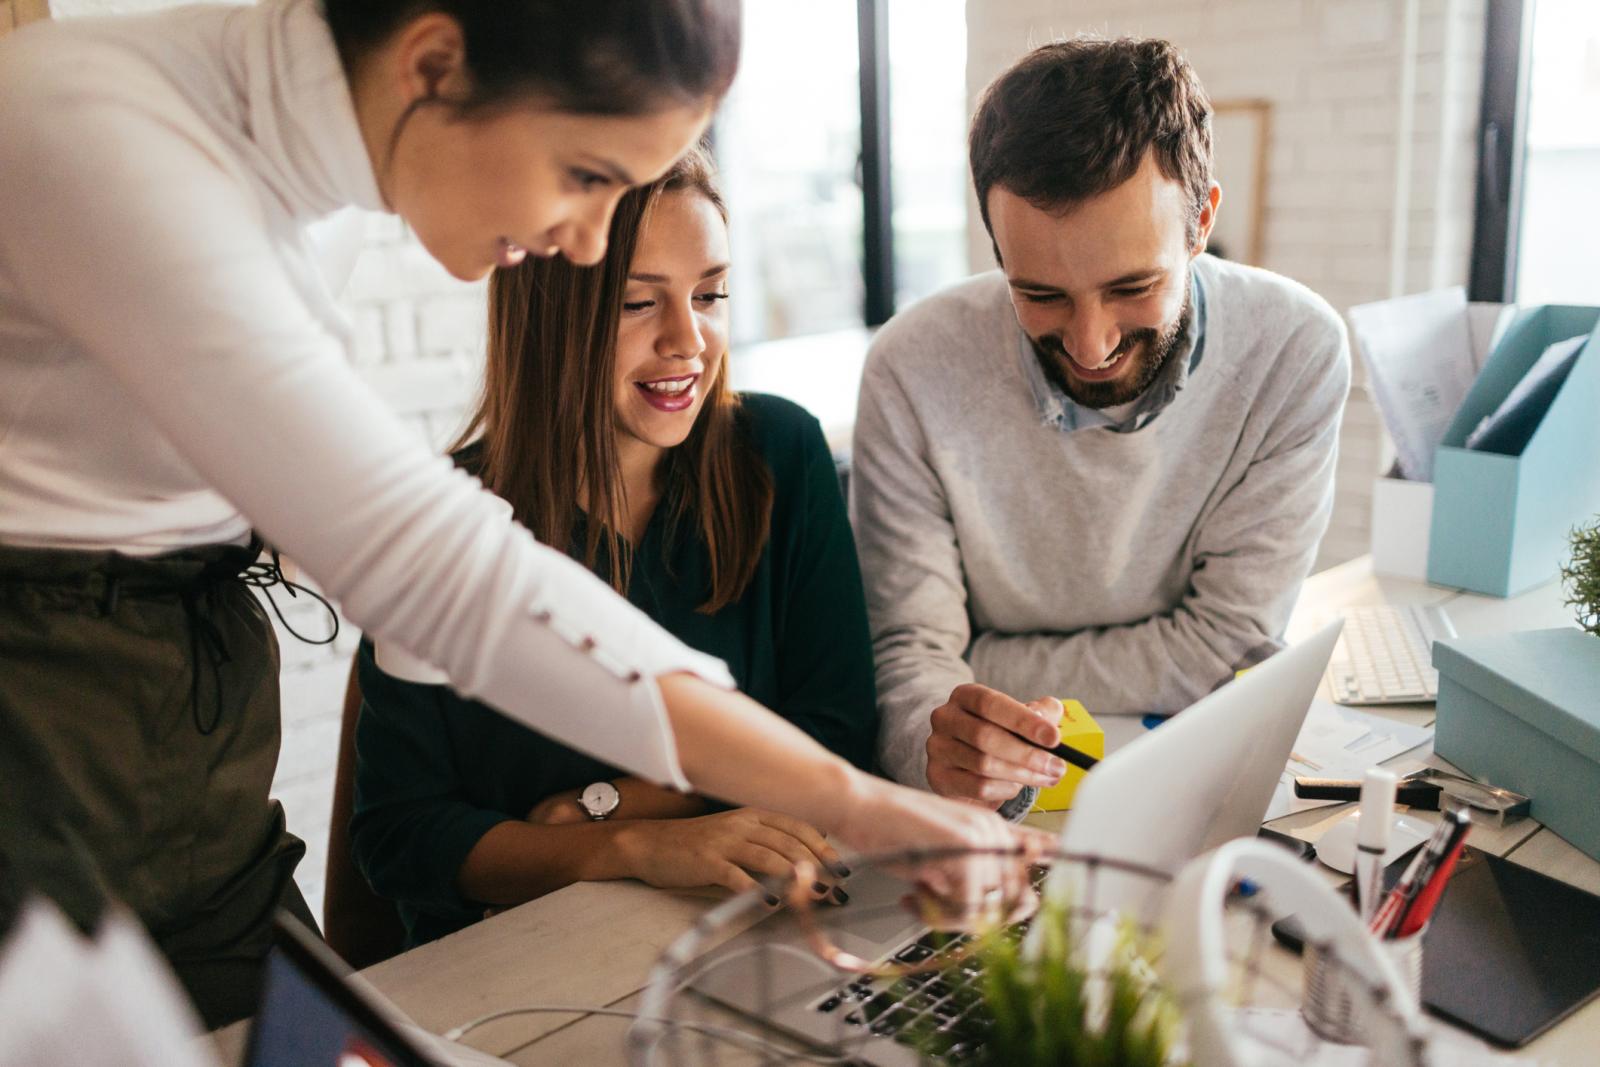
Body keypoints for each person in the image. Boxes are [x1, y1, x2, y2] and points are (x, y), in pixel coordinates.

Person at [0, 0, 1021, 1027]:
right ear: (435, 63)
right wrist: (861, 803)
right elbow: (433, 567)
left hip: (192, 708)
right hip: (42, 704)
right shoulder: (106, 136)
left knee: (301, 1037)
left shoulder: (328, 176)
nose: (580, 242)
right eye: (585, 176)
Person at [351, 148, 879, 946]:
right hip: (517, 955)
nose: (689, 340)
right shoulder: (445, 518)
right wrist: (632, 845)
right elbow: (401, 836)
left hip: (737, 922)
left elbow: (833, 738)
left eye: (711, 294)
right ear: (553, 315)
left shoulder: (780, 453)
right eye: (640, 303)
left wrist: (611, 804)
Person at [851, 36, 1351, 816]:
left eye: (1131, 287)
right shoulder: (911, 366)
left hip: (1190, 776)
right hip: (995, 807)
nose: (1091, 344)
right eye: (1041, 294)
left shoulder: (1294, 349)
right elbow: (910, 660)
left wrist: (980, 660)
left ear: (1200, 222)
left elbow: (1226, 643)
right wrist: (939, 745)